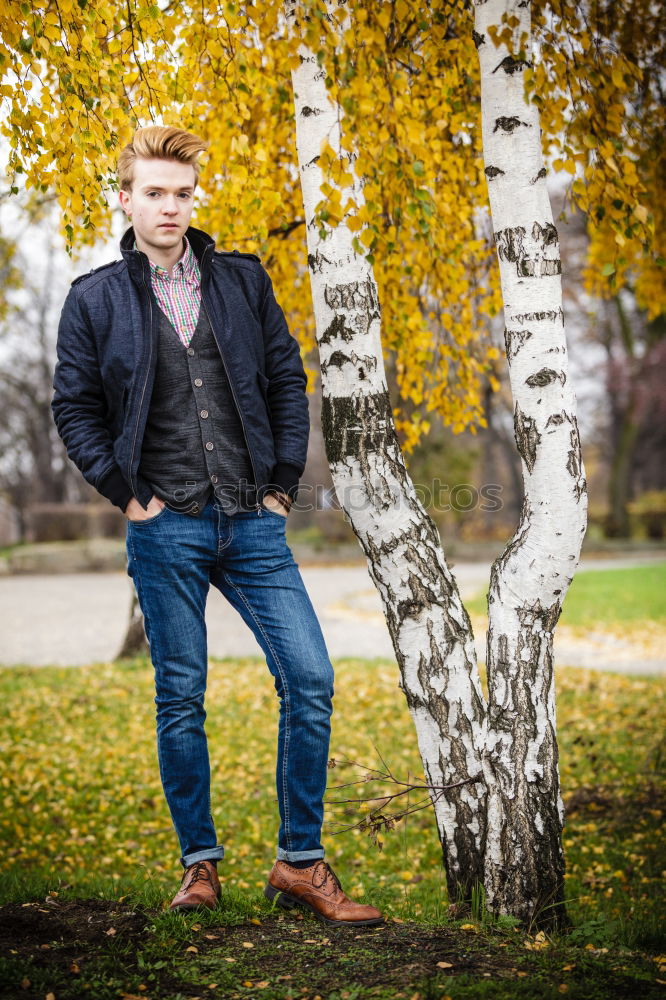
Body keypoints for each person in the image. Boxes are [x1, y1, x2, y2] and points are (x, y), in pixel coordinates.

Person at [51, 125, 383, 927]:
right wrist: (130, 498)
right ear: (124, 199)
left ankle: (299, 863)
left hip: (254, 524)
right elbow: (75, 408)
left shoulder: (240, 280)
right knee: (181, 696)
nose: (170, 206)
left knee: (310, 678)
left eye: (182, 193)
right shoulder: (93, 299)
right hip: (165, 526)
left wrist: (278, 489)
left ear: (194, 200)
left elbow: (284, 378)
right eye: (154, 192)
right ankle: (199, 866)